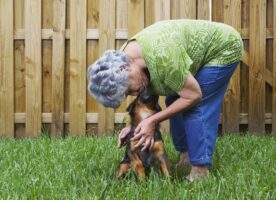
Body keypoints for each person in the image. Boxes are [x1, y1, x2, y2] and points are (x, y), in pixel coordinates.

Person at [87, 19, 243, 181]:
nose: (134, 94)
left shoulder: (163, 57)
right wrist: (133, 127)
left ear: (124, 69)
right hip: (186, 56)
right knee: (173, 102)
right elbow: (148, 96)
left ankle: (200, 171)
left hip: (223, 48)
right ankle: (186, 158)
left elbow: (194, 96)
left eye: (129, 89)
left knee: (195, 106)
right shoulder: (120, 60)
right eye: (127, 94)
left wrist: (152, 121)